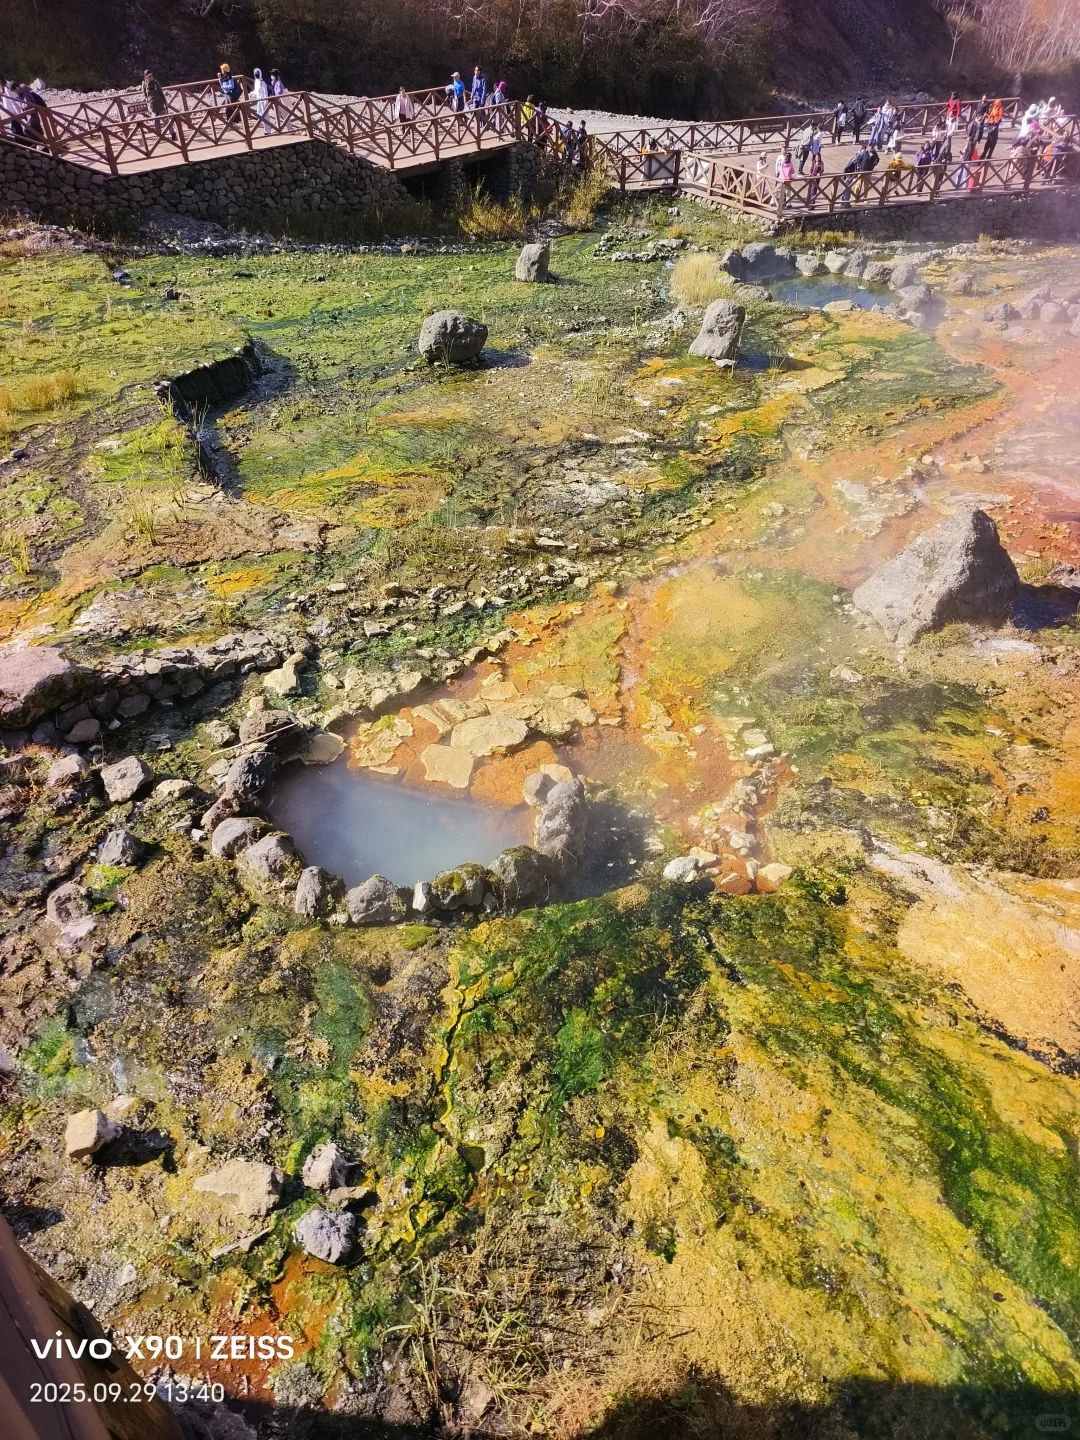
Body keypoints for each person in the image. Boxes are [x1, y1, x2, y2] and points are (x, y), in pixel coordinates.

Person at [141, 69, 174, 138]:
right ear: (146, 76)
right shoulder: (144, 84)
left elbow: (161, 93)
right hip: (152, 105)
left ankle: (173, 133)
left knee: (165, 120)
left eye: (151, 75)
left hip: (160, 104)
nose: (151, 77)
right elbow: (144, 94)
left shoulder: (156, 82)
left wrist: (165, 102)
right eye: (149, 76)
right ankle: (159, 136)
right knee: (156, 122)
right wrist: (148, 101)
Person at [250, 67, 271, 136]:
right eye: (255, 74)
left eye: (257, 74)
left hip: (263, 101)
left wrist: (266, 102)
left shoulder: (263, 83)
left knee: (265, 116)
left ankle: (267, 130)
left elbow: (265, 93)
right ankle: (266, 127)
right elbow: (256, 91)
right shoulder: (256, 82)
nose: (256, 75)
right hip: (259, 101)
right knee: (259, 114)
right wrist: (252, 93)